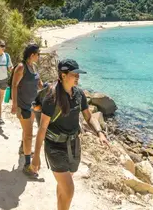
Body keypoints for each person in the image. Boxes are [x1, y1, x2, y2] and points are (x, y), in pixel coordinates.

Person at [31, 59, 109, 210]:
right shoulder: (51, 97)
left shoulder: (79, 94)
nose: (78, 77)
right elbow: (42, 128)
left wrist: (100, 133)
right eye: (74, 74)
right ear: (63, 75)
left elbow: (88, 116)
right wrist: (36, 157)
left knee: (64, 187)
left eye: (78, 74)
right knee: (69, 189)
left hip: (74, 146)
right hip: (55, 147)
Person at [11, 43, 43, 177]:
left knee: (27, 132)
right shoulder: (21, 67)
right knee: (29, 134)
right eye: (38, 54)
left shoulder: (33, 67)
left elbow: (40, 84)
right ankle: (27, 165)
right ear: (32, 55)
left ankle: (24, 149)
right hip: (23, 106)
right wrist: (14, 105)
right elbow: (14, 85)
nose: (39, 56)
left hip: (33, 105)